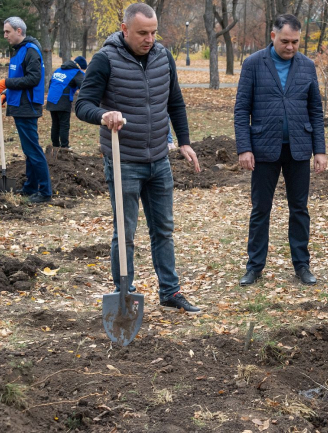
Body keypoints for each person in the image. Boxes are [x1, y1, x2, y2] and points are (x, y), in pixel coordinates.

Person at [75, 2, 202, 313]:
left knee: (163, 229)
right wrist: (103, 115)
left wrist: (184, 142)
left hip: (159, 159)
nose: (150, 39)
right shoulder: (105, 59)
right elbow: (82, 104)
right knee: (125, 232)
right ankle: (125, 293)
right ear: (124, 29)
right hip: (124, 161)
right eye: (143, 33)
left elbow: (175, 102)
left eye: (153, 32)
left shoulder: (163, 57)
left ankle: (170, 292)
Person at [234, 14, 327, 286]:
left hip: (299, 148)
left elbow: (315, 110)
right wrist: (244, 148)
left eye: (295, 42)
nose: (290, 46)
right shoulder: (253, 64)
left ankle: (302, 265)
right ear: (273, 36)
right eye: (285, 41)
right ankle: (254, 267)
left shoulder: (307, 66)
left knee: (299, 209)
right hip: (264, 148)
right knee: (261, 209)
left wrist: (320, 150)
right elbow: (241, 109)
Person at [0, 16, 52, 204]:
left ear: (19, 31)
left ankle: (45, 192)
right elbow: (21, 78)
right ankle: (30, 187)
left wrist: (6, 83)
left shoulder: (30, 51)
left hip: (27, 107)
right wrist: (7, 94)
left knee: (33, 149)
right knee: (28, 149)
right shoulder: (20, 51)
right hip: (20, 105)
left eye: (8, 31)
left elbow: (33, 79)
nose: (5, 35)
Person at [46, 56, 87, 149]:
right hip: (63, 101)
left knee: (55, 124)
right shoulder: (77, 72)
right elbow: (85, 86)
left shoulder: (58, 70)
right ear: (80, 67)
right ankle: (65, 148)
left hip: (51, 99)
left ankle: (55, 147)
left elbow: (51, 84)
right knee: (64, 125)